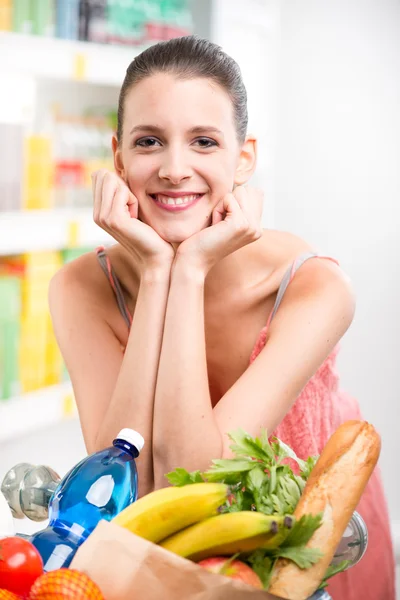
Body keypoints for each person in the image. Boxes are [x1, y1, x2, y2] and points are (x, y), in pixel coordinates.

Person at [49, 36, 395, 598]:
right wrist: (161, 271)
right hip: (168, 551)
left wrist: (190, 271)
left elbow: (198, 474)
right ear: (118, 158)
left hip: (308, 547)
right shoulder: (81, 288)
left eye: (204, 142)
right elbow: (129, 482)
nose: (174, 168)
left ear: (244, 160)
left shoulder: (314, 286)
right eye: (149, 141)